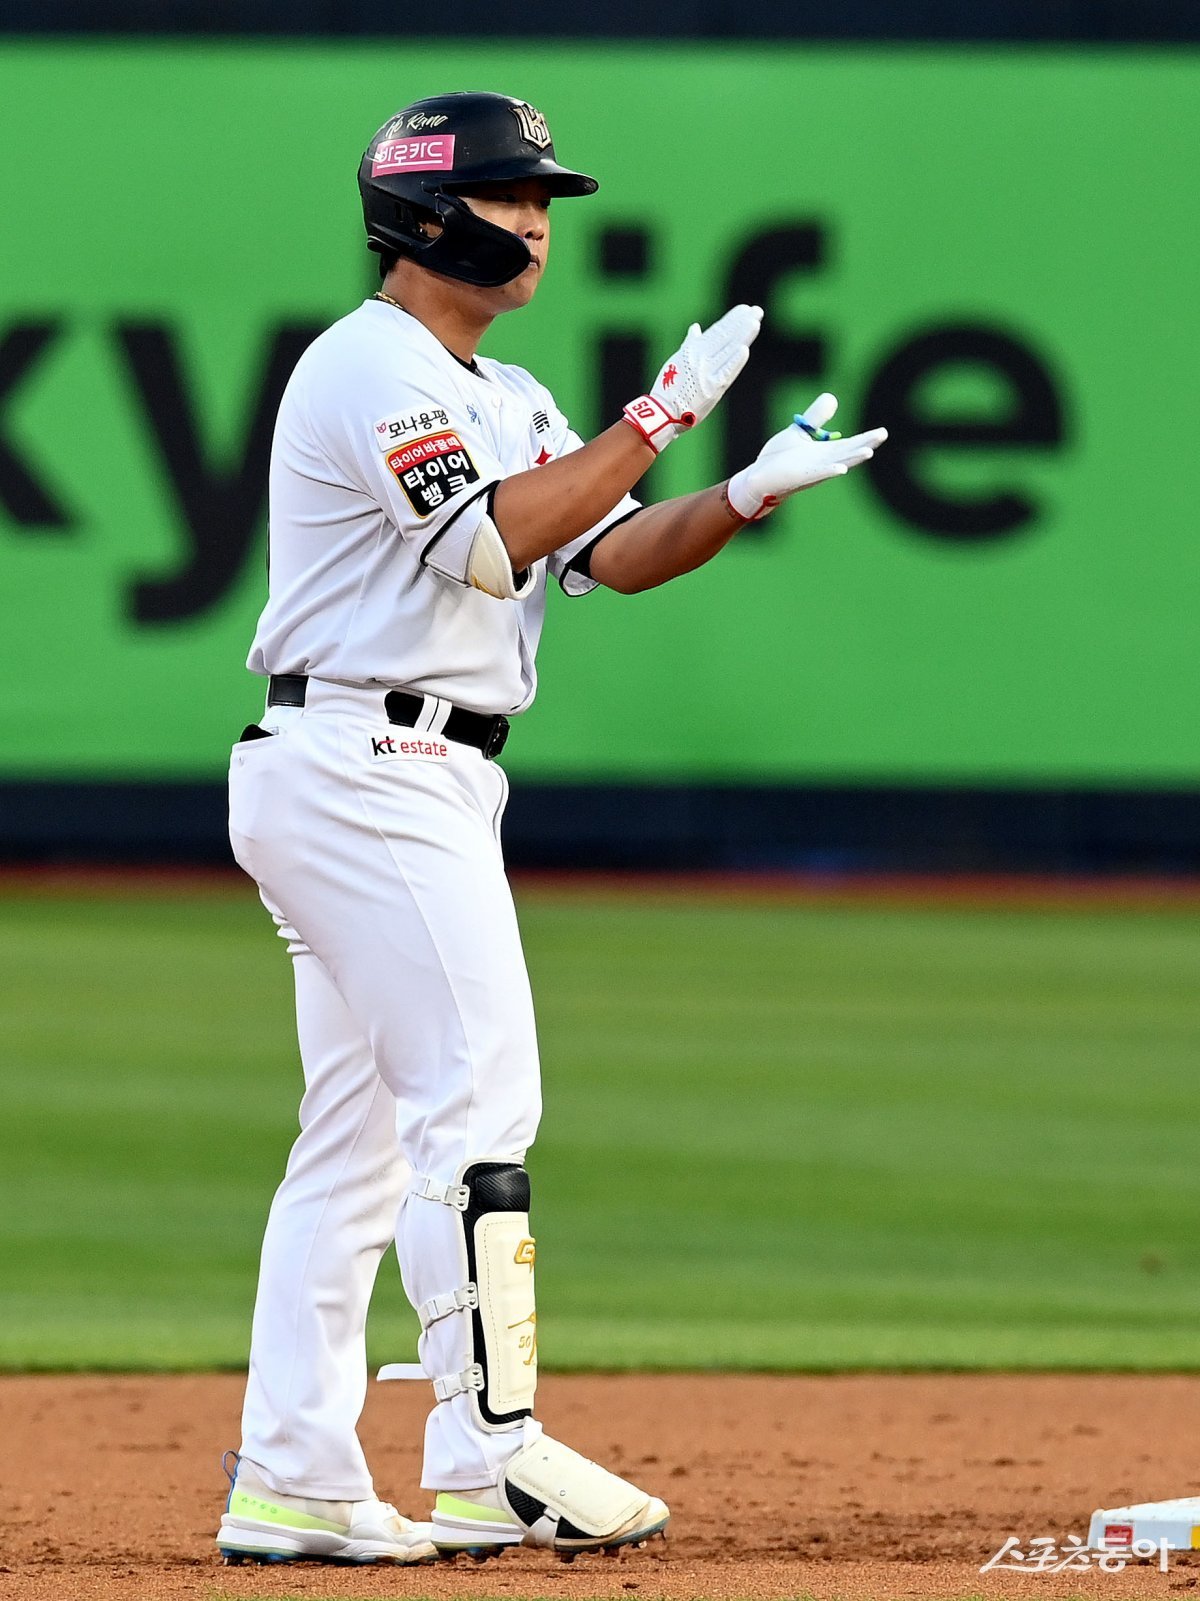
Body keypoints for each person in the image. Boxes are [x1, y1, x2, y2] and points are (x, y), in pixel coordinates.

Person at [217, 89, 886, 1569]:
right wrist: (663, 412)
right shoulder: (368, 364)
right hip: (369, 757)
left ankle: (294, 1475)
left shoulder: (505, 390)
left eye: (541, 201)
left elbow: (608, 551)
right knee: (474, 1103)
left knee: (360, 1142)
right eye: (507, 197)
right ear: (421, 215)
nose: (532, 225)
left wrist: (740, 492)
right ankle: (487, 1458)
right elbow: (489, 542)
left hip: (404, 766)